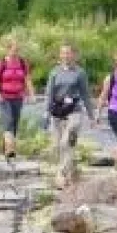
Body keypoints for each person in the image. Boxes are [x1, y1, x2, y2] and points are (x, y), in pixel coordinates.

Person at [43, 44, 95, 188]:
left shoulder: (80, 73)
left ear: (74, 55)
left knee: (67, 142)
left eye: (68, 53)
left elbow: (85, 94)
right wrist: (45, 113)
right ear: (60, 55)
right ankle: (71, 173)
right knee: (58, 145)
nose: (66, 56)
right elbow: (49, 94)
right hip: (58, 111)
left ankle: (61, 172)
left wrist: (91, 115)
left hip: (75, 111)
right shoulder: (54, 72)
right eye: (63, 53)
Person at [0, 38, 35, 159]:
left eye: (17, 50)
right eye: (13, 49)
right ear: (8, 49)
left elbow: (27, 79)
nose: (15, 52)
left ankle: (8, 150)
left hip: (18, 97)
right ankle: (10, 148)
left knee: (14, 123)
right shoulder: (1, 64)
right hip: (4, 97)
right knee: (8, 120)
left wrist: (31, 94)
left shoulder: (22, 63)